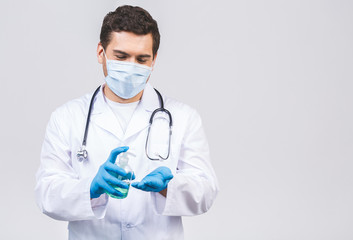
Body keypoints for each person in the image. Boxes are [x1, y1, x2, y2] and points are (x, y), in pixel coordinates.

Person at [35, 5, 219, 240]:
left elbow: (206, 192)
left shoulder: (184, 117)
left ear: (154, 60)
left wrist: (167, 187)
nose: (131, 67)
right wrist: (90, 188)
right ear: (101, 52)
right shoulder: (67, 117)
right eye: (121, 57)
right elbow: (46, 194)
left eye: (142, 59)